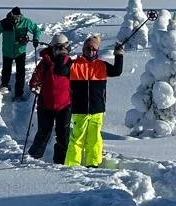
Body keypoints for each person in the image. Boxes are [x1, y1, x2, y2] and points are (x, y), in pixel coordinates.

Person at [65, 33, 124, 168]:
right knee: (76, 139)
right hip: (79, 110)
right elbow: (60, 71)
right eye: (87, 49)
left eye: (93, 49)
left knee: (95, 139)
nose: (90, 51)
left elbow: (117, 71)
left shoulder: (102, 65)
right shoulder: (74, 65)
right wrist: (63, 55)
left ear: (97, 51)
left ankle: (93, 164)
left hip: (97, 109)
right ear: (83, 49)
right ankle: (72, 165)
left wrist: (119, 54)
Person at [26, 35, 74, 164]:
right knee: (44, 132)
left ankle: (60, 162)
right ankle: (33, 158)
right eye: (57, 48)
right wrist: (35, 87)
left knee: (63, 135)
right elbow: (34, 81)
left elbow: (76, 82)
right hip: (46, 105)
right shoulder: (45, 63)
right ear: (52, 48)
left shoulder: (70, 63)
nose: (60, 51)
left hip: (65, 105)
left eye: (63, 48)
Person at [0, 7, 43, 100]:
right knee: (6, 70)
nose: (16, 18)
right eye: (14, 16)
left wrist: (36, 39)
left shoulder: (26, 22)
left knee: (20, 73)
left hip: (20, 51)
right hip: (7, 51)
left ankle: (19, 93)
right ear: (11, 14)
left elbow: (36, 30)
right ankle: (4, 85)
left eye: (18, 16)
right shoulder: (4, 22)